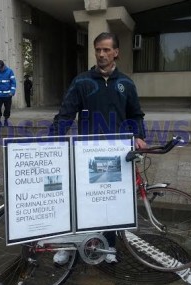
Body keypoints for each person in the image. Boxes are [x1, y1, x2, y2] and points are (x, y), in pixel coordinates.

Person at [49, 32, 147, 265]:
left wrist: (140, 136)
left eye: (106, 50)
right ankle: (69, 245)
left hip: (116, 154)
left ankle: (109, 246)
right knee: (78, 200)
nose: (101, 54)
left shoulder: (126, 83)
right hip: (87, 153)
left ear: (116, 52)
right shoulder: (82, 81)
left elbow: (135, 114)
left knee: (109, 202)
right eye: (98, 50)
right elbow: (66, 112)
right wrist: (53, 141)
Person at [0, 60, 16, 126]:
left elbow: (13, 82)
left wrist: (12, 92)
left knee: (7, 108)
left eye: (1, 68)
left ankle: (6, 119)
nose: (1, 69)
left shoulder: (10, 71)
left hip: (8, 95)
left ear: (4, 66)